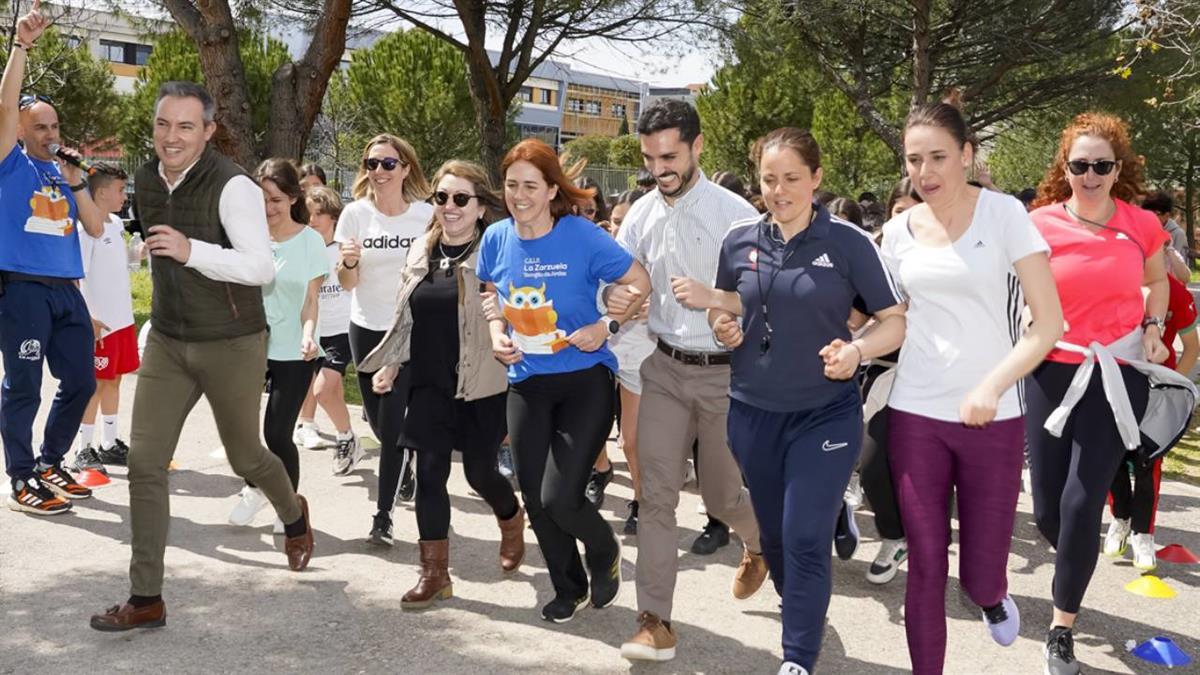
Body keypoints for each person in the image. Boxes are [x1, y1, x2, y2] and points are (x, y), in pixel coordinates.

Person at [90, 81, 313, 632]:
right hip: (168, 338)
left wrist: (194, 252)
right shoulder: (143, 178)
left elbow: (260, 267)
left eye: (186, 126)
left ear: (209, 131)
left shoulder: (233, 186)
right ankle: (146, 598)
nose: (172, 137)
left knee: (246, 456)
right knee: (144, 465)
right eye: (164, 124)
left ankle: (292, 512)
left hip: (232, 341)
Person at [710, 127, 906, 675]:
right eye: (769, 179)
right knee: (775, 535)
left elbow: (894, 322)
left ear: (816, 179)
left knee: (802, 538)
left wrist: (857, 350)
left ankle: (798, 656)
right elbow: (727, 302)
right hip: (752, 413)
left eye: (792, 178)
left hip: (826, 413)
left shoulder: (847, 242)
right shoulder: (739, 239)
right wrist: (722, 323)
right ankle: (800, 602)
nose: (779, 190)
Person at [880, 101, 1063, 675]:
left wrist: (992, 385)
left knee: (979, 573)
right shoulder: (896, 233)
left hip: (996, 416)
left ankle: (990, 595)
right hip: (915, 412)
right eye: (914, 160)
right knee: (927, 563)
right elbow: (890, 319)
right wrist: (852, 344)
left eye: (938, 156)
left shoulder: (1005, 215)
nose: (926, 171)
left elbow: (1050, 324)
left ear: (966, 155)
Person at [610, 100, 766, 663]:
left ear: (698, 146)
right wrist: (618, 299)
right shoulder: (639, 215)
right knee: (655, 496)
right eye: (650, 157)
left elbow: (764, 296)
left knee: (722, 494)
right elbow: (619, 284)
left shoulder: (736, 215)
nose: (659, 168)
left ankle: (757, 542)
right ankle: (654, 621)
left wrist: (732, 319)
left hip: (725, 377)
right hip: (663, 369)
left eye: (670, 155)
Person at [476, 138, 651, 623]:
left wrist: (606, 326)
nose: (519, 195)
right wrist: (497, 333)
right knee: (533, 495)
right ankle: (568, 587)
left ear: (553, 189)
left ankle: (603, 547)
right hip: (526, 382)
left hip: (584, 381)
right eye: (512, 185)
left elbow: (641, 282)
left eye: (531, 185)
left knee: (560, 497)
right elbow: (492, 294)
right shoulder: (496, 238)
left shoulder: (581, 235)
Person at [1026, 112, 1173, 675]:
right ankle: (1076, 558)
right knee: (1047, 513)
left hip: (1117, 372)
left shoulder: (1141, 225)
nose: (1089, 174)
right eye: (1080, 165)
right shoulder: (1038, 224)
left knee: (1083, 501)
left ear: (1118, 170)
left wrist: (1154, 327)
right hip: (1051, 370)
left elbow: (1157, 281)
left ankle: (1062, 627)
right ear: (1065, 168)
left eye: (1101, 166)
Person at [358, 159, 524, 608]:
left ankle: (510, 518)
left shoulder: (495, 253)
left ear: (480, 206)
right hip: (428, 384)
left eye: (460, 199)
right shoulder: (420, 250)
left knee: (480, 472)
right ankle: (435, 574)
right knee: (429, 473)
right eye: (442, 197)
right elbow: (406, 316)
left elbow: (513, 312)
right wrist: (391, 364)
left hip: (481, 385)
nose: (449, 207)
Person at [1, 0, 107, 515]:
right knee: (23, 387)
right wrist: (21, 45)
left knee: (82, 379)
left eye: (55, 126)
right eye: (39, 127)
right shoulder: (9, 162)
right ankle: (21, 477)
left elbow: (92, 225)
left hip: (67, 291)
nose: (51, 134)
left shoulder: (61, 174)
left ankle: (49, 462)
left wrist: (78, 182)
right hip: (21, 289)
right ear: (21, 131)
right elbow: (6, 106)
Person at [335, 134, 433, 545]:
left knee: (391, 427)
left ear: (406, 168)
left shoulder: (426, 216)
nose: (378, 172)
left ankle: (382, 517)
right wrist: (350, 261)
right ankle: (404, 467)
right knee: (377, 421)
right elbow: (346, 282)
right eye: (371, 164)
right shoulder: (354, 215)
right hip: (365, 328)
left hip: (409, 330)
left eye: (388, 164)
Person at [227, 159, 328, 530]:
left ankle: (288, 506)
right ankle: (254, 488)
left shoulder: (311, 241)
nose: (269, 209)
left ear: (291, 197)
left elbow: (311, 300)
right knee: (241, 430)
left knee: (276, 433)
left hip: (294, 350)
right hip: (251, 346)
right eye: (262, 201)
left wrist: (307, 333)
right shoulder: (248, 239)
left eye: (275, 200)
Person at [1103, 255, 1198, 570]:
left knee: (1148, 462)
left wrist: (1176, 388)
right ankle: (1120, 519)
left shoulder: (1175, 291)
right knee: (1112, 457)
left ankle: (1143, 534)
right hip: (1114, 381)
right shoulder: (1112, 284)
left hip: (1156, 391)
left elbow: (1192, 345)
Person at [72, 163, 138, 476]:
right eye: (121, 190)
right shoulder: (86, 228)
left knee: (114, 379)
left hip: (121, 322)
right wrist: (89, 318)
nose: (125, 196)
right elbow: (77, 277)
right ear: (100, 192)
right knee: (94, 385)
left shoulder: (114, 223)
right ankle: (82, 448)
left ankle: (109, 443)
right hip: (99, 325)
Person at [293, 186, 358, 459]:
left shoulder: (345, 250)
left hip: (344, 331)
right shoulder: (303, 250)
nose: (313, 219)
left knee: (321, 391)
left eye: (319, 213)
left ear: (334, 216)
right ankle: (347, 436)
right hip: (315, 332)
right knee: (327, 393)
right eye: (308, 214)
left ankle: (346, 437)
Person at [605, 189, 654, 535]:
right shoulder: (601, 254)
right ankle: (641, 499)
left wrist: (656, 308)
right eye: (617, 222)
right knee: (630, 440)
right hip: (614, 353)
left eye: (629, 223)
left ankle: (647, 501)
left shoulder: (660, 254)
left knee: (641, 439)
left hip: (661, 353)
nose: (623, 230)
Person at [1142, 190, 1191, 282]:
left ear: (1167, 215)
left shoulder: (1177, 234)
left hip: (1170, 285)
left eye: (1156, 214)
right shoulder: (1142, 231)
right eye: (1147, 213)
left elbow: (1182, 272)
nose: (1150, 217)